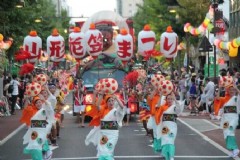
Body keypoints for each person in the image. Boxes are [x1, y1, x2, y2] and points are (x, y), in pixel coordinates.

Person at [85, 89, 126, 160]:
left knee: (108, 149)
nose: (111, 102)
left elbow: (122, 107)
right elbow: (97, 106)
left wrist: (116, 98)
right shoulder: (103, 110)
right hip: (104, 135)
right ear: (106, 103)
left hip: (113, 135)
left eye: (112, 101)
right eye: (109, 101)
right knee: (102, 150)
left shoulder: (115, 111)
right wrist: (101, 95)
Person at [213, 83, 240, 158]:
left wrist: (236, 88)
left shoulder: (235, 98)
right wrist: (219, 88)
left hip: (233, 119)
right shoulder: (225, 98)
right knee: (225, 133)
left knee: (230, 132)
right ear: (227, 91)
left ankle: (235, 149)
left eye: (233, 90)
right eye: (230, 90)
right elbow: (217, 98)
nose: (232, 91)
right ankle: (231, 150)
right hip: (225, 119)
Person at [155, 93, 184, 160]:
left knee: (170, 140)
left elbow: (178, 110)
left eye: (171, 99)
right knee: (165, 140)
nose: (170, 100)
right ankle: (166, 155)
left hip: (172, 127)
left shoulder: (174, 107)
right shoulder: (163, 107)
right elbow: (157, 107)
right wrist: (161, 95)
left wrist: (175, 99)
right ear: (166, 100)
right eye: (168, 99)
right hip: (165, 127)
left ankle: (171, 156)